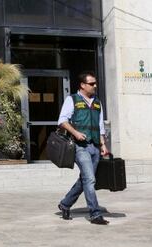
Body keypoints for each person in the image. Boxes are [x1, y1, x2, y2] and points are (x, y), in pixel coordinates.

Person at [57, 71, 110, 225]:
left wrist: (103, 144)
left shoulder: (97, 102)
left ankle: (65, 204)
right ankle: (95, 213)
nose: (95, 86)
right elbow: (62, 120)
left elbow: (100, 126)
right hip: (80, 147)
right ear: (82, 85)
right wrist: (75, 132)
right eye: (92, 83)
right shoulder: (72, 100)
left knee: (85, 179)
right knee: (90, 179)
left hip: (95, 146)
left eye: (95, 83)